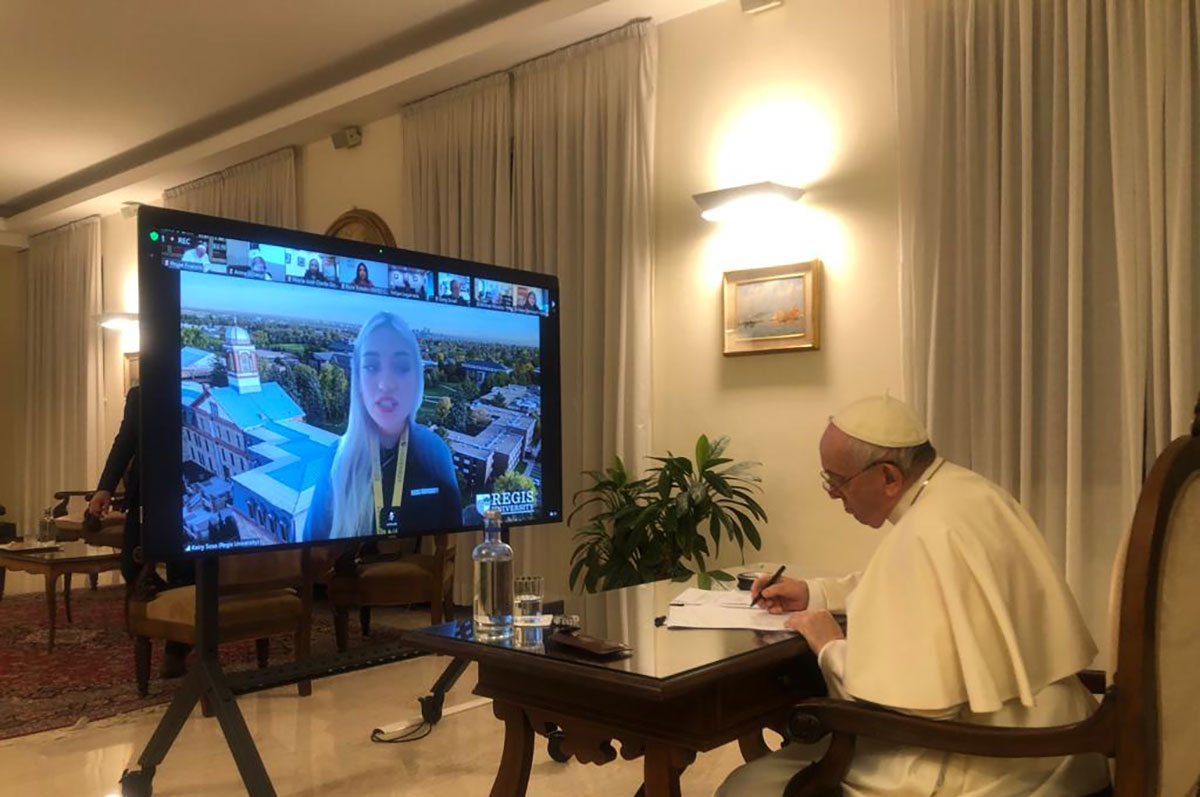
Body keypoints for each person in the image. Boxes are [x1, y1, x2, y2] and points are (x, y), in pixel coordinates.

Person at [718, 395, 1111, 797]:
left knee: (746, 787)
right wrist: (812, 592)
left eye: (838, 481)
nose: (834, 496)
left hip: (998, 764)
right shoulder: (966, 492)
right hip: (1066, 741)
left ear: (889, 476)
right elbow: (920, 583)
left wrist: (829, 646)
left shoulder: (926, 529)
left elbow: (916, 705)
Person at [303, 312, 461, 541]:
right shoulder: (336, 459)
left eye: (401, 366)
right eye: (371, 367)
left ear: (417, 379)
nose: (386, 383)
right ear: (357, 381)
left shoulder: (435, 453)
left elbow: (455, 551)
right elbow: (310, 559)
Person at [88, 386, 194, 677]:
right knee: (131, 567)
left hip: (186, 494)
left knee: (184, 571)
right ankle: (175, 617)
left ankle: (177, 649)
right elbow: (125, 442)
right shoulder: (139, 395)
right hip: (145, 497)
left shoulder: (188, 392)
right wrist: (105, 487)